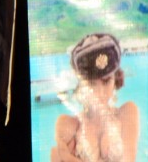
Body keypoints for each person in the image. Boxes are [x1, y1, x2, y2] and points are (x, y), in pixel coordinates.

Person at [52, 33, 139, 162]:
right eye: (92, 83)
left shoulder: (127, 112)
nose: (100, 93)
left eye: (106, 82)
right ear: (82, 85)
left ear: (116, 80)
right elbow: (55, 157)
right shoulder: (68, 123)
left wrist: (69, 158)